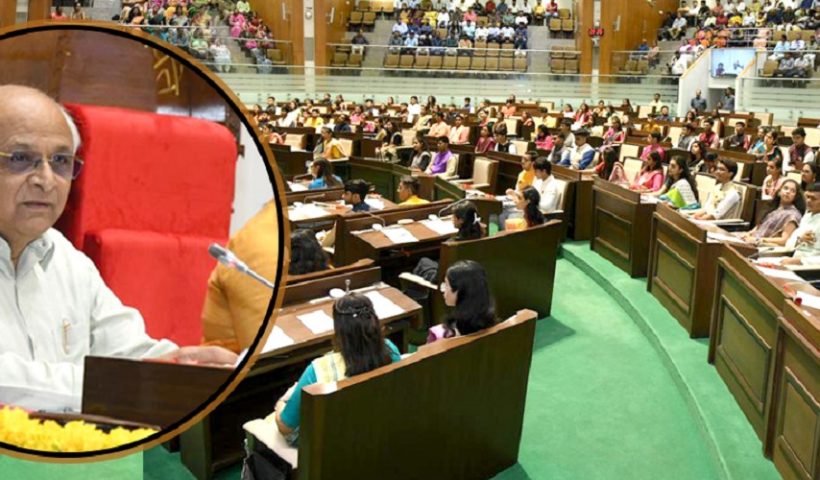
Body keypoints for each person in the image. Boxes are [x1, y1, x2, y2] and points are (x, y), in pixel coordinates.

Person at [0, 85, 237, 411]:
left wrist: (185, 369)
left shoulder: (67, 260)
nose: (46, 179)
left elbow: (126, 351)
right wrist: (124, 385)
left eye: (61, 161)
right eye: (20, 158)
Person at [274, 293, 401, 444]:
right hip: (378, 433)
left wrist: (281, 403)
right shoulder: (390, 350)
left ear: (338, 330)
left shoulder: (317, 371)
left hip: (332, 445)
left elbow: (286, 427)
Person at [427, 260, 497, 342]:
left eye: (446, 285)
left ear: (459, 291)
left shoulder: (438, 335)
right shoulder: (497, 329)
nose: (443, 289)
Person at [739, 180, 803, 246]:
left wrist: (758, 240)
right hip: (752, 240)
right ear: (779, 192)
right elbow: (758, 227)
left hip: (764, 246)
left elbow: (784, 240)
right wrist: (748, 234)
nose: (788, 192)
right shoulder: (773, 208)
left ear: (795, 197)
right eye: (785, 188)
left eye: (792, 191)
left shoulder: (792, 215)